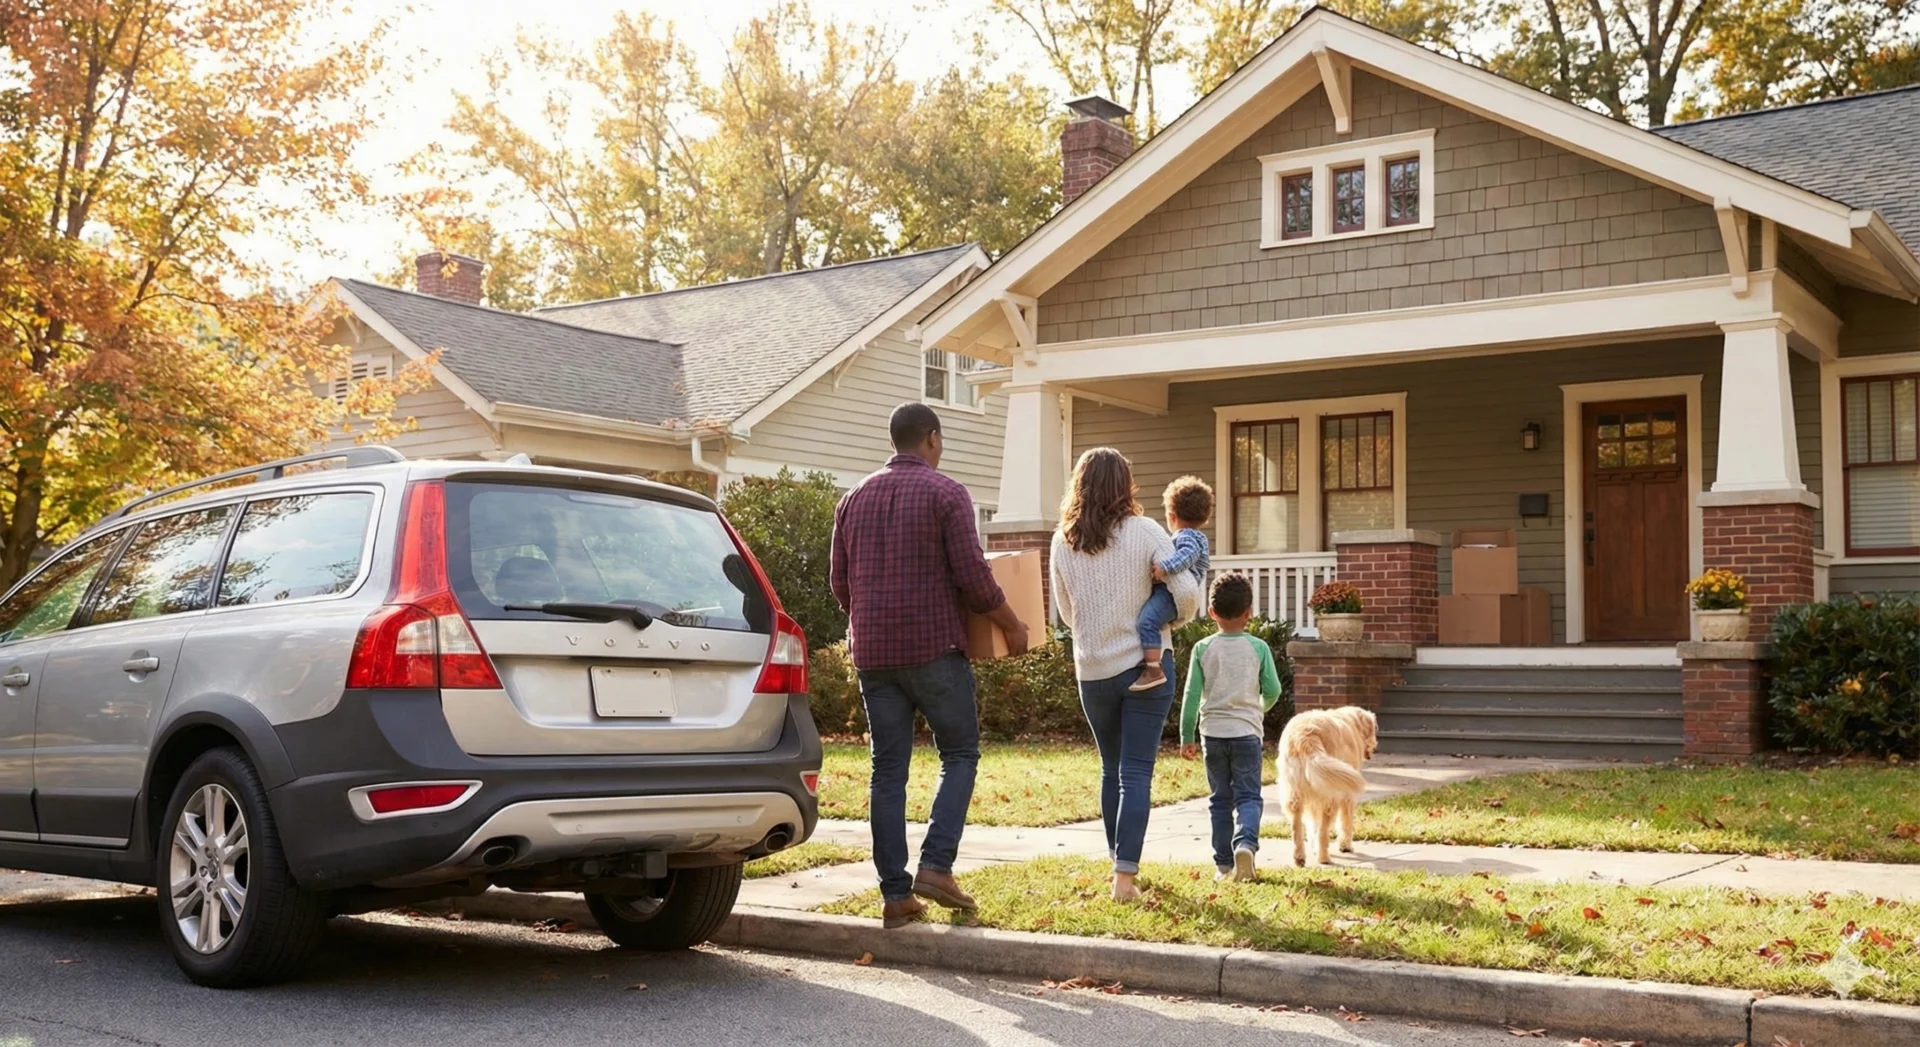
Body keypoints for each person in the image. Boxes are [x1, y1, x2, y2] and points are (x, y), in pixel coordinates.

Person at [830, 402, 1031, 930]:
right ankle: (936, 867)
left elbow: (839, 584)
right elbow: (974, 577)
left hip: (874, 655)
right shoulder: (947, 493)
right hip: (934, 648)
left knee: (887, 771)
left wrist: (870, 619)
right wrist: (1012, 624)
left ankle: (895, 896)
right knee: (960, 753)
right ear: (933, 439)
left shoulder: (852, 499)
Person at [1048, 447, 1200, 902]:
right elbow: (1188, 594)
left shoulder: (1063, 541)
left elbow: (1066, 613)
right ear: (1124, 484)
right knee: (1136, 772)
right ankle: (1124, 879)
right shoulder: (1146, 530)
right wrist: (1167, 619)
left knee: (1110, 768)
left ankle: (1118, 860)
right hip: (1145, 666)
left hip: (1093, 669)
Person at [1178, 572, 1282, 882]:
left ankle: (1223, 865)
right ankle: (1246, 844)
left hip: (1213, 735)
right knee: (1248, 796)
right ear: (1249, 612)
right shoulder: (1258, 647)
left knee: (1220, 799)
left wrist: (1186, 735)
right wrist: (1258, 709)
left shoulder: (1203, 648)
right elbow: (1273, 690)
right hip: (1247, 733)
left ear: (1211, 612)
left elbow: (1191, 695)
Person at [1130, 476, 1213, 692]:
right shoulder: (1196, 535)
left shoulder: (1186, 536)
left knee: (1147, 621)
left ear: (1171, 516)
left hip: (1172, 595)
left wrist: (1164, 567)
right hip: (1174, 594)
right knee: (1151, 620)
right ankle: (1151, 657)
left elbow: (1187, 555)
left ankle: (1153, 669)